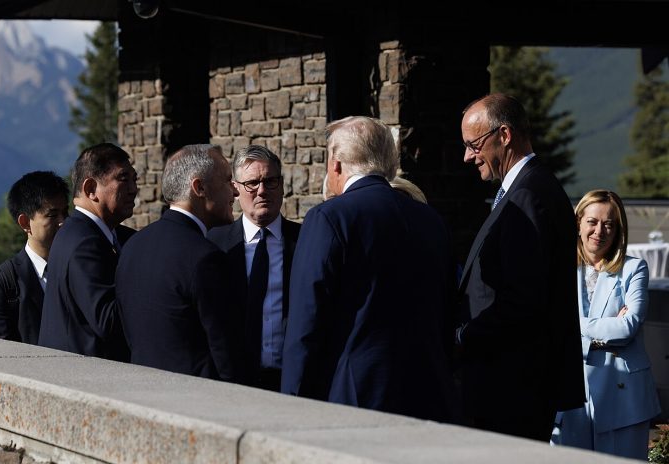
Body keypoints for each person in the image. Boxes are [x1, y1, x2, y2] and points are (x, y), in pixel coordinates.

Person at [281, 116, 460, 423]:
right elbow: (447, 313)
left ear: (336, 165)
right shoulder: (431, 220)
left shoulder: (330, 218)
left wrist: (291, 406)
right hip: (428, 396)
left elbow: (306, 323)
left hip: (354, 397)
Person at [456, 93, 585, 440]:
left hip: (512, 387)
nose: (468, 156)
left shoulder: (528, 195)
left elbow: (523, 300)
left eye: (473, 145)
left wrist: (463, 336)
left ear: (504, 135)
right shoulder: (528, 188)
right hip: (514, 384)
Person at [551, 189, 661, 460]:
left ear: (618, 230)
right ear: (578, 223)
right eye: (592, 222)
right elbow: (546, 325)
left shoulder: (634, 268)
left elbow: (627, 327)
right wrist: (604, 327)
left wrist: (571, 325)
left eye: (608, 224)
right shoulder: (557, 268)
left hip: (623, 396)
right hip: (569, 390)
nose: (599, 231)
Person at [116, 144, 241, 379]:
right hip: (196, 396)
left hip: (140, 390)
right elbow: (226, 354)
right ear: (199, 187)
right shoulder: (205, 258)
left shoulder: (133, 246)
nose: (235, 192)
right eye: (227, 180)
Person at [208, 145, 300, 391]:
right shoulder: (215, 243)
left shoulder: (305, 241)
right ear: (235, 189)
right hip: (231, 385)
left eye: (270, 181)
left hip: (292, 383)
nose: (262, 190)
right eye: (252, 183)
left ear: (282, 185)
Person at [38, 143, 137, 361]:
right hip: (86, 373)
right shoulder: (84, 242)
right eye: (123, 179)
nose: (133, 189)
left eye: (135, 179)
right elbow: (108, 320)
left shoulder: (86, 233)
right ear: (91, 189)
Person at [0, 171, 69, 344]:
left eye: (65, 213)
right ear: (25, 222)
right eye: (52, 215)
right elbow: (0, 346)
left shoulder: (79, 266)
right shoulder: (3, 282)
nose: (63, 221)